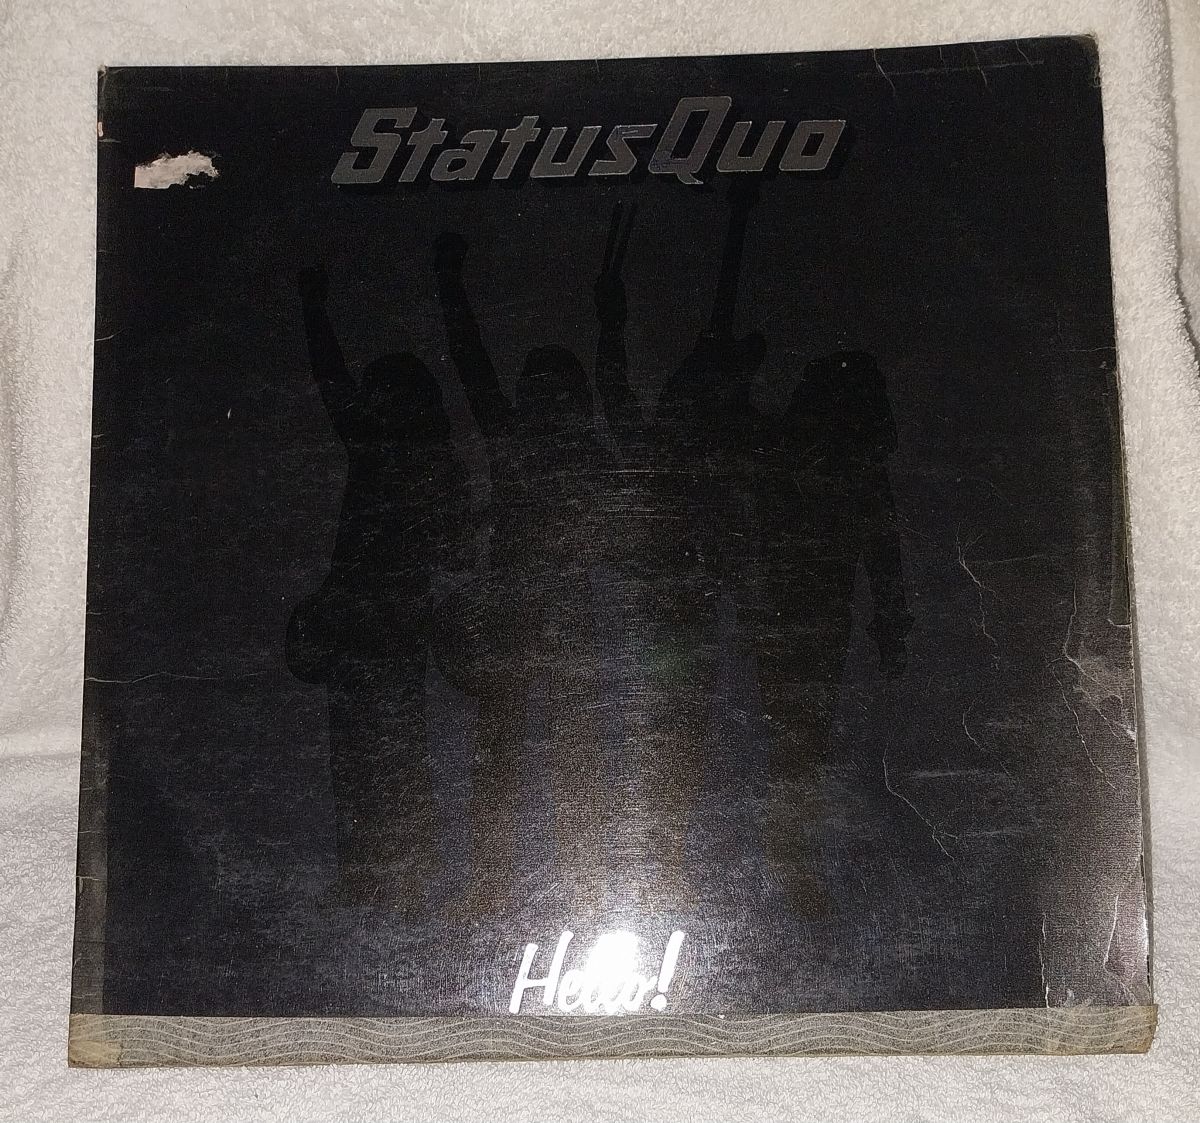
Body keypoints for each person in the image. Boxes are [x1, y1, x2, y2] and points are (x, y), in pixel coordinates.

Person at [433, 234, 615, 914]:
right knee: (520, 754)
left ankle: (555, 884)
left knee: (542, 755)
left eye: (548, 390)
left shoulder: (557, 447)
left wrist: (450, 284)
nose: (542, 401)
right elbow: (472, 364)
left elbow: (474, 366)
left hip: (540, 615)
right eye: (538, 390)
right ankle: (518, 883)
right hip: (534, 615)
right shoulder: (558, 446)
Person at [286, 264, 470, 912]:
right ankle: (380, 877)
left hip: (380, 627)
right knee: (371, 757)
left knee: (382, 756)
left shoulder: (404, 457)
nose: (378, 404)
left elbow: (334, 383)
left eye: (387, 393)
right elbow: (333, 383)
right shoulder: (405, 456)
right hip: (373, 626)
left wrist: (314, 309)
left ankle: (395, 878)